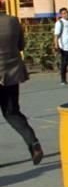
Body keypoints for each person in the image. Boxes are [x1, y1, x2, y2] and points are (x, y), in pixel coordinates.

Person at [0, 11, 43, 165]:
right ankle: (34, 143)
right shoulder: (12, 21)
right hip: (12, 73)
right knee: (12, 113)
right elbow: (21, 45)